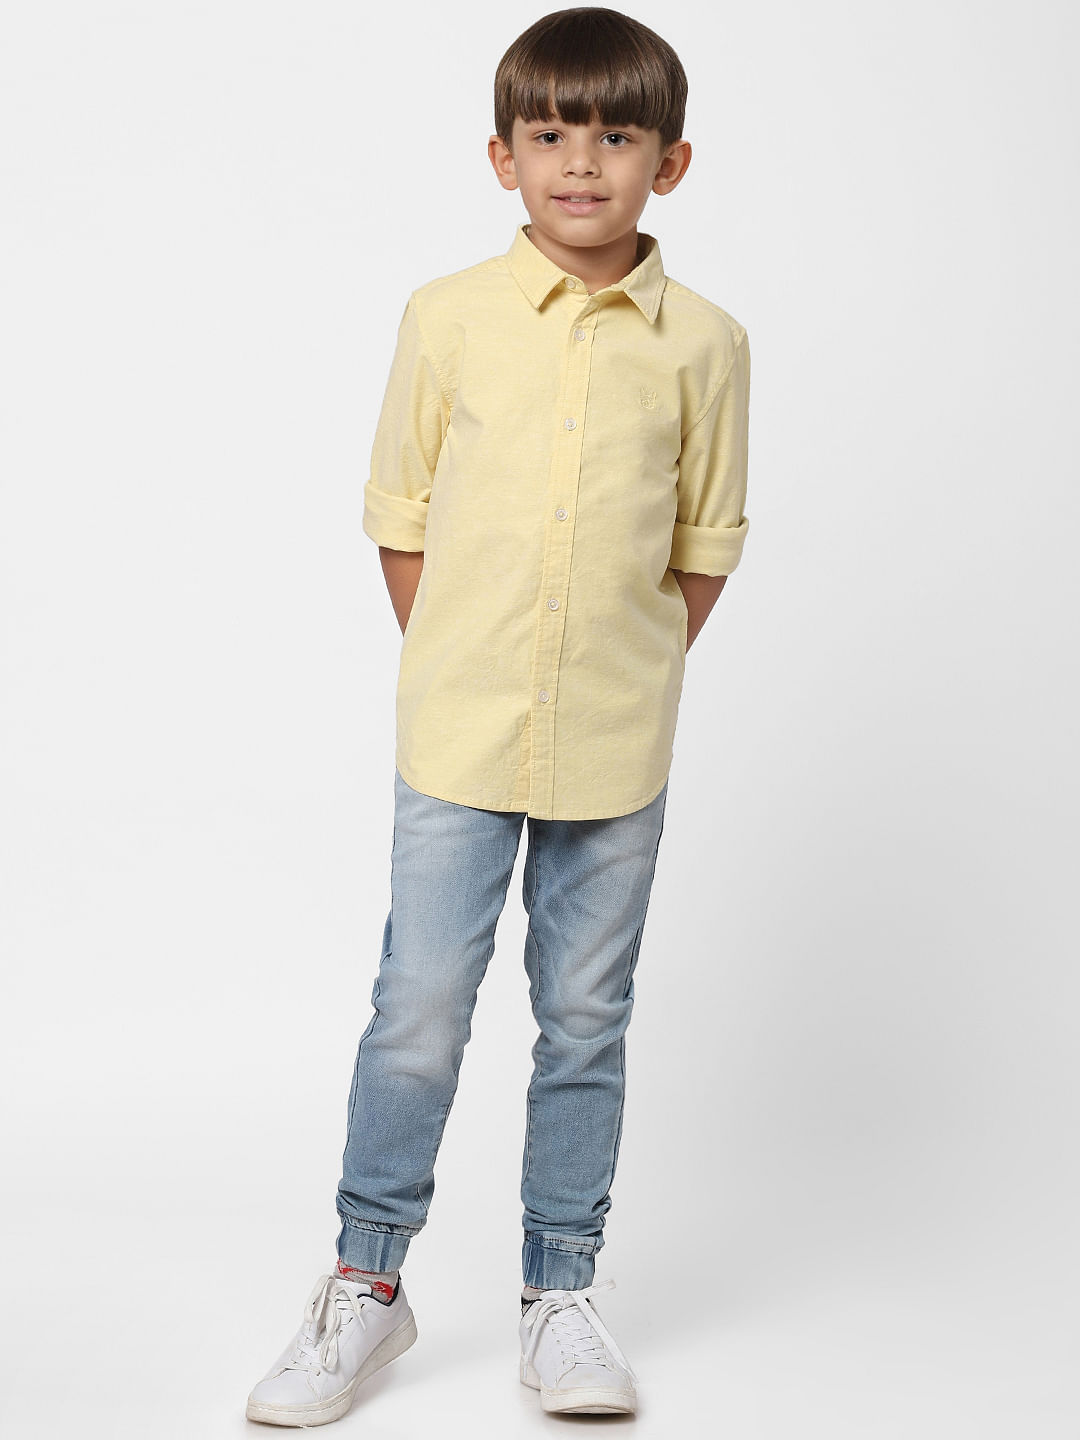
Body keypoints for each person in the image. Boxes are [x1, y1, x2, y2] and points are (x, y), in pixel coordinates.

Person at [246, 5, 751, 1426]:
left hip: (616, 744)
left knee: (584, 1019)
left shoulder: (708, 345)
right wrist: (462, 660)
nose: (581, 162)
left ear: (671, 161)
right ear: (502, 155)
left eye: (616, 135)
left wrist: (625, 668)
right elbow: (400, 515)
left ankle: (560, 1297)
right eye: (550, 134)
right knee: (418, 1010)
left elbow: (704, 545)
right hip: (458, 738)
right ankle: (367, 1285)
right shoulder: (446, 317)